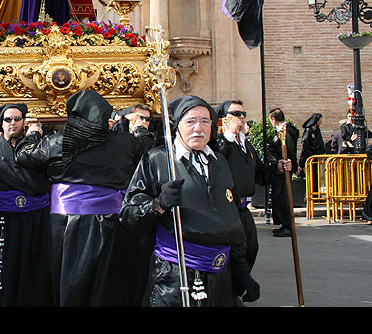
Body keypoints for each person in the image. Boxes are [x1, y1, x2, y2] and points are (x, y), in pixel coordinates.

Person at [119, 95, 259, 307]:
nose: (198, 128)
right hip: (176, 278)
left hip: (220, 276)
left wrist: (241, 270)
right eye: (190, 121)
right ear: (177, 126)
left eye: (205, 121)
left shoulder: (219, 161)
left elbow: (232, 218)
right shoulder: (158, 160)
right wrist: (158, 204)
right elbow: (129, 214)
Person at [16, 90, 148, 306]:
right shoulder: (123, 142)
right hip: (110, 224)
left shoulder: (56, 142)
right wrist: (139, 129)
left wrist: (33, 133)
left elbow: (24, 156)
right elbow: (146, 146)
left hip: (66, 224)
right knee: (109, 283)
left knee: (67, 281)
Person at [0, 103, 52, 307]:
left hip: (36, 218)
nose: (12, 123)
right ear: (2, 123)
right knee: (6, 268)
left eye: (17, 119)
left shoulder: (40, 146)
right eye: (8, 119)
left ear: (24, 122)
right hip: (4, 219)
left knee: (34, 268)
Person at [215, 100, 290, 305]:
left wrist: (277, 168)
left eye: (243, 113)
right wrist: (229, 134)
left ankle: (237, 289)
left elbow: (259, 173)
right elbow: (217, 162)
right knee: (233, 254)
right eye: (236, 113)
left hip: (243, 208)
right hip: (226, 209)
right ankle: (228, 293)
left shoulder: (245, 145)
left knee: (250, 249)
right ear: (225, 118)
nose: (241, 117)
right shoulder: (220, 143)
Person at [267, 108, 299, 238]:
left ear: (274, 119)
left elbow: (289, 150)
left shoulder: (286, 132)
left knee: (283, 198)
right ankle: (283, 224)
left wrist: (293, 166)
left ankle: (287, 225)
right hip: (279, 168)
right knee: (279, 197)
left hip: (284, 168)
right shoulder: (282, 131)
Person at [299, 113, 325, 179]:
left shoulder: (317, 130)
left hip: (317, 156)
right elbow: (306, 143)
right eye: (320, 120)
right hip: (309, 156)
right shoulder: (308, 130)